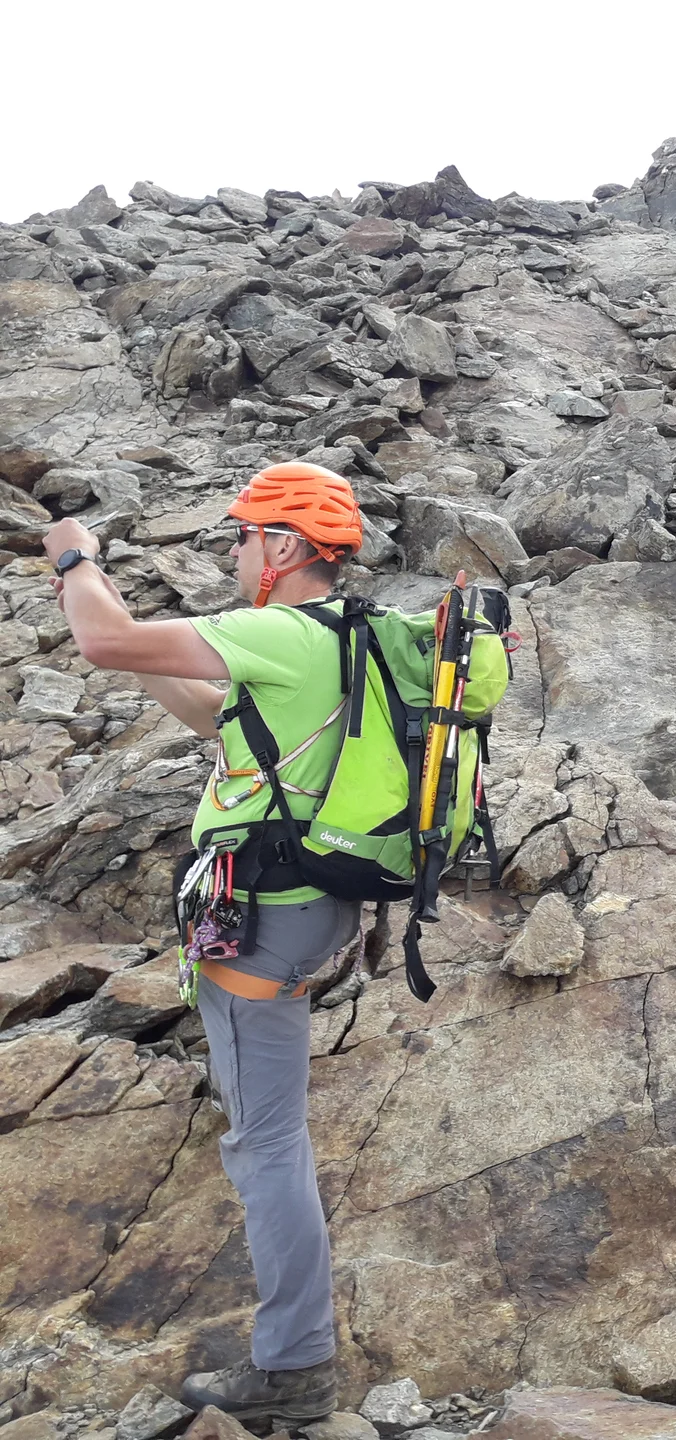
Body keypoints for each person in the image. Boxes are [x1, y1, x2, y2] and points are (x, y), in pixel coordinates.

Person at [43, 461, 367, 1424]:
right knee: (277, 1128)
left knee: (267, 1141)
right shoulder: (350, 638)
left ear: (286, 547)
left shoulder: (276, 627)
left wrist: (75, 560)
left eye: (242, 535)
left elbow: (103, 640)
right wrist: (160, 664)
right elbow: (229, 722)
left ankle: (294, 1365)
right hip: (319, 904)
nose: (232, 551)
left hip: (261, 915)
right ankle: (295, 1349)